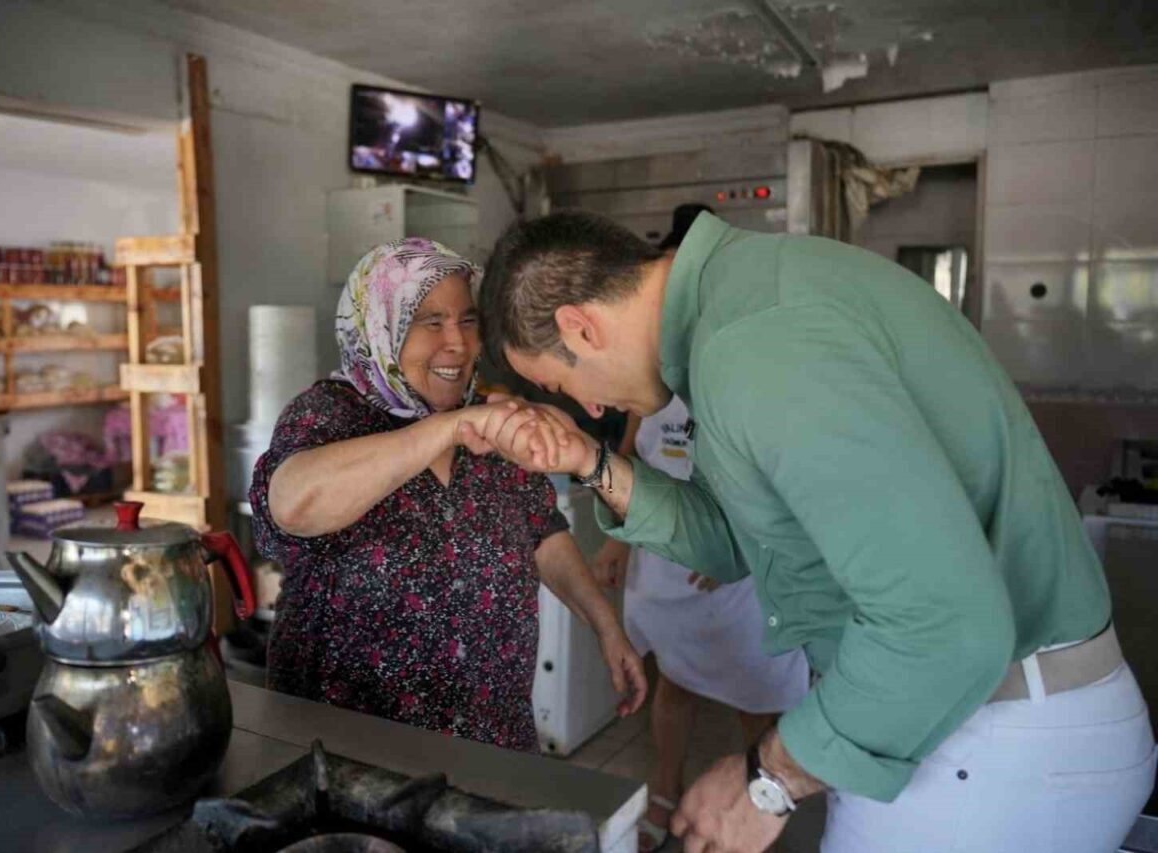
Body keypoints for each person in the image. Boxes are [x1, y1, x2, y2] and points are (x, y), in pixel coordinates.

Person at [469, 210, 1155, 852]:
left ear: (581, 327)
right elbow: (732, 541)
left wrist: (768, 779)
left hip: (990, 736)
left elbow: (945, 623)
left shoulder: (753, 344)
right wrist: (590, 461)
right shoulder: (741, 306)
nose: (588, 405)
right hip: (976, 723)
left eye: (564, 383)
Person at [250, 237, 646, 752]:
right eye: (431, 322)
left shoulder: (492, 422)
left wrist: (605, 625)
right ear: (381, 327)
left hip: (490, 737)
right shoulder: (329, 415)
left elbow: (542, 533)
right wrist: (451, 427)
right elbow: (293, 505)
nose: (457, 343)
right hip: (353, 748)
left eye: (467, 320)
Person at [590, 206, 809, 851]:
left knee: (753, 695)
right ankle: (664, 788)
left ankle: (760, 809)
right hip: (663, 549)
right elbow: (627, 452)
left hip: (735, 559)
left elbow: (773, 471)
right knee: (675, 683)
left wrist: (733, 547)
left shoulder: (742, 355)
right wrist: (613, 539)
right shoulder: (649, 361)